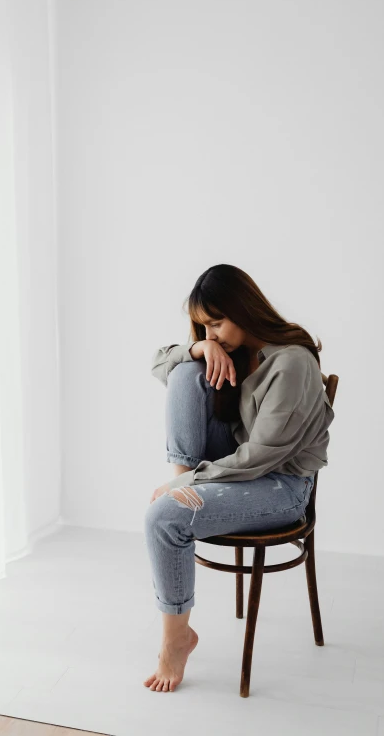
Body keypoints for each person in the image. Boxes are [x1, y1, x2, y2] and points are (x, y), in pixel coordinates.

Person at [143, 263, 335, 692]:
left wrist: (187, 483)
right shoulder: (227, 349)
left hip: (280, 487)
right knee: (185, 372)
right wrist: (198, 350)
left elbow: (262, 456)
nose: (210, 333)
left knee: (163, 519)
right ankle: (183, 495)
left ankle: (176, 641)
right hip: (233, 468)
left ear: (244, 310)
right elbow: (158, 364)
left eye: (216, 323)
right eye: (203, 325)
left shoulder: (293, 364)